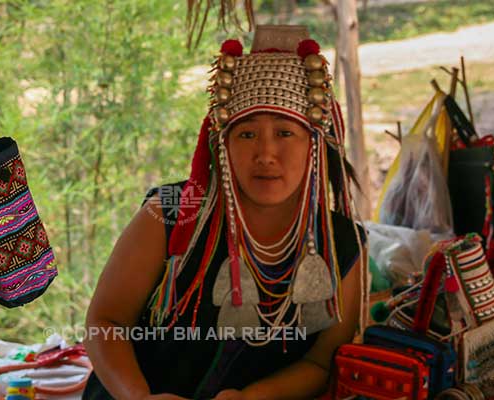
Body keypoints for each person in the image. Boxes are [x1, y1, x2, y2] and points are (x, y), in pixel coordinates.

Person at [83, 25, 368, 400]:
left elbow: (320, 362)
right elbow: (106, 324)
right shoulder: (172, 214)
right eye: (247, 135)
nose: (265, 153)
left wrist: (253, 398)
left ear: (313, 145)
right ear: (223, 144)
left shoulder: (342, 246)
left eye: (284, 133)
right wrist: (139, 397)